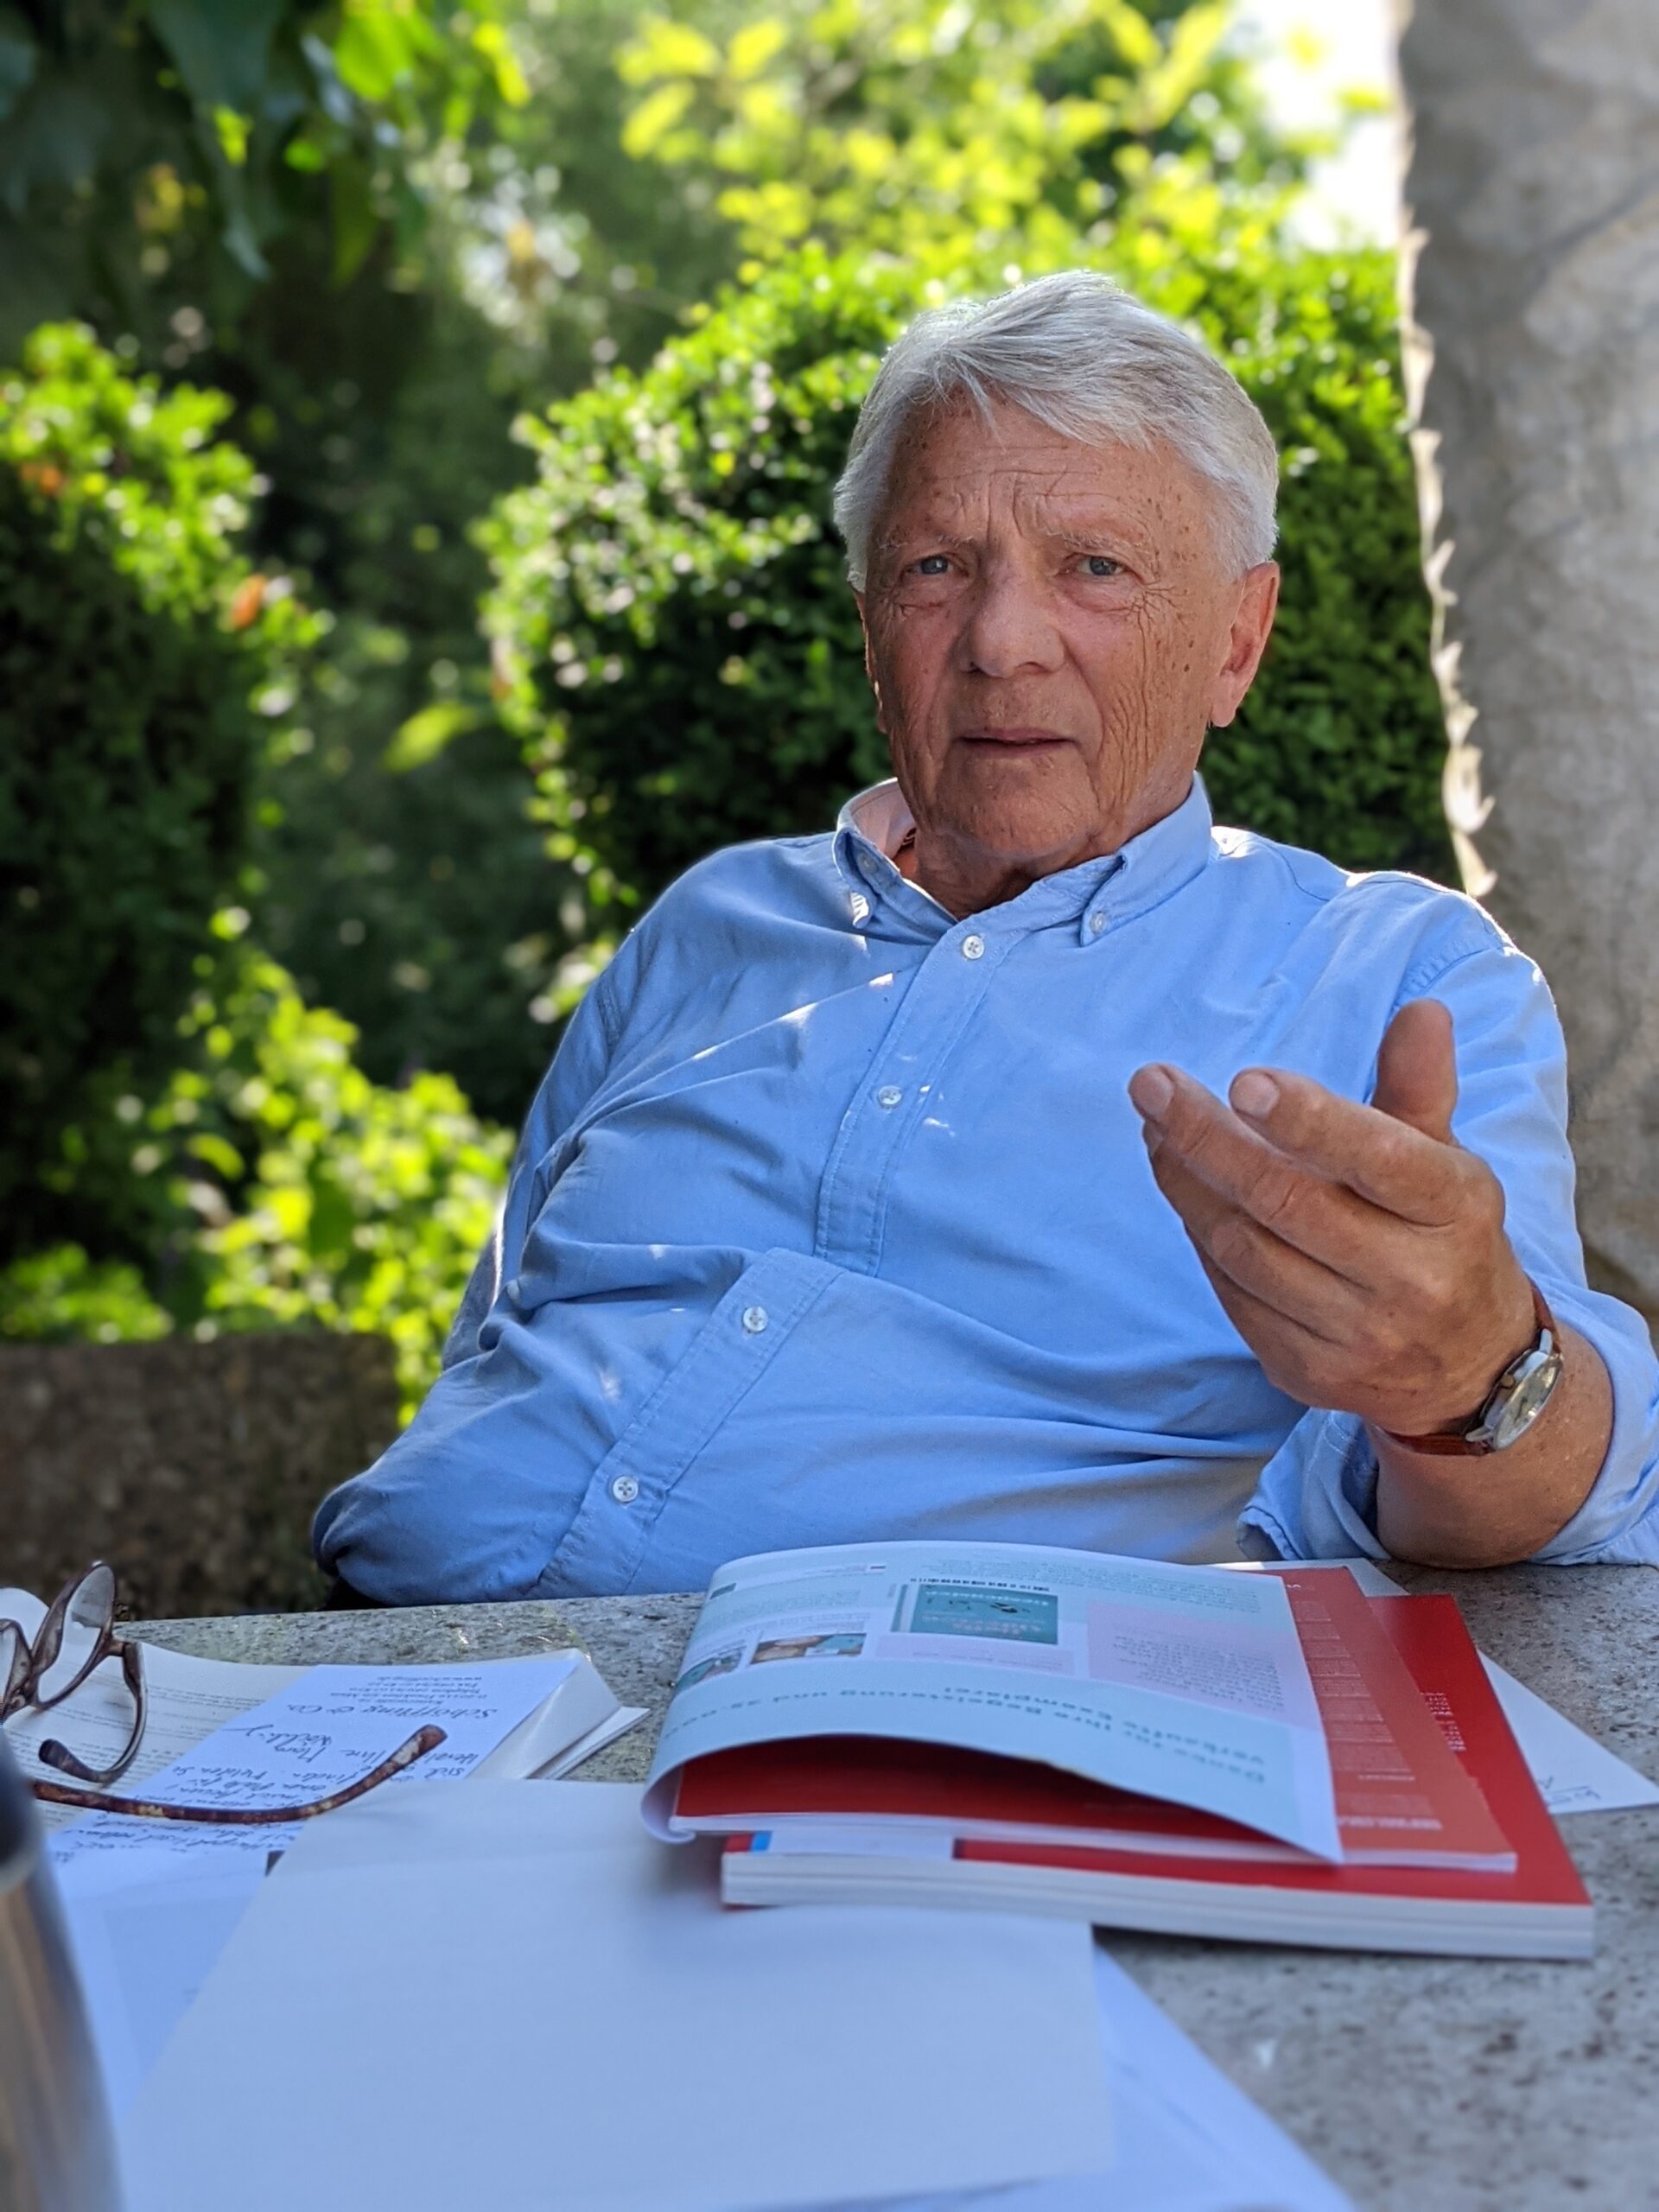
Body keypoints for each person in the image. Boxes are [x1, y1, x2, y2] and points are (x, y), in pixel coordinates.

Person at [315, 271, 1659, 1605]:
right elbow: (493, 1345)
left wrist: (1470, 1379)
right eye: (937, 568)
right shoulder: (709, 926)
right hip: (391, 1668)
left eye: (1096, 568)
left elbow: (1553, 1508)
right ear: (870, 628)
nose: (1004, 641)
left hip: (911, 1704)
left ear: (1237, 643)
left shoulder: (1393, 976)